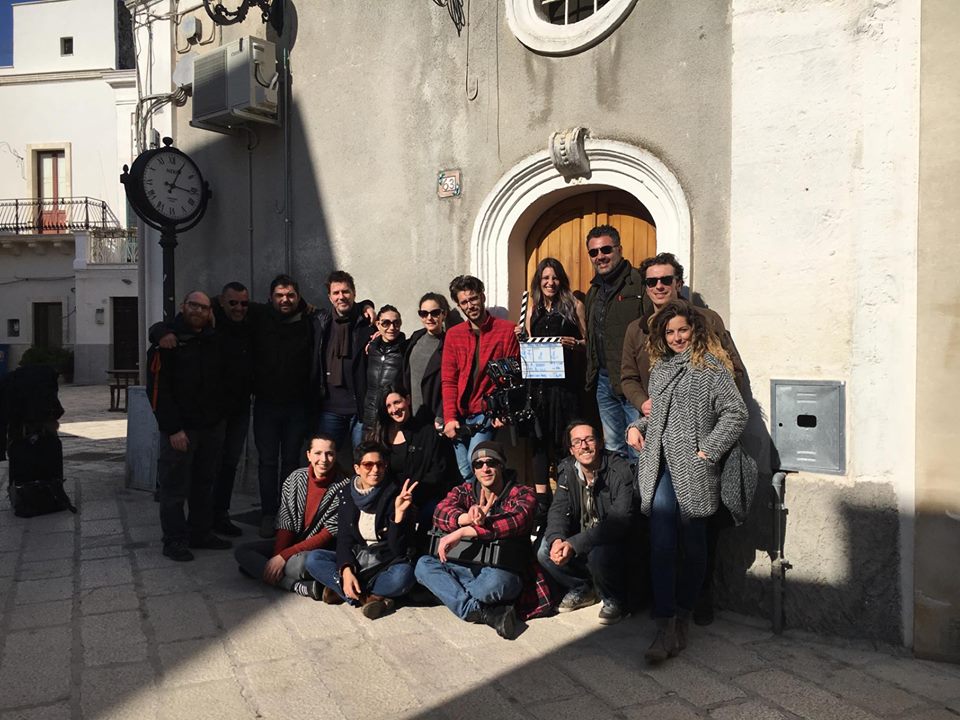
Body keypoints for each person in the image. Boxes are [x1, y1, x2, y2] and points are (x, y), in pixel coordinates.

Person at [621, 252, 745, 625]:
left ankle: (694, 599)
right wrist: (640, 421)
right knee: (661, 531)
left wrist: (708, 445)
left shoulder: (708, 332)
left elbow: (734, 399)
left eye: (666, 279)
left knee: (698, 532)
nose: (659, 286)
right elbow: (632, 382)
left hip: (697, 453)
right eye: (652, 281)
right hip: (660, 451)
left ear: (678, 282)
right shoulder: (641, 336)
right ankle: (666, 610)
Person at [414, 442, 536, 639]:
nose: (485, 468)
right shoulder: (465, 490)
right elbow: (440, 512)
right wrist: (465, 518)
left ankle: (451, 593)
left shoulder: (522, 492)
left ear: (501, 465)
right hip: (468, 565)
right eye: (479, 464)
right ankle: (486, 611)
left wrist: (466, 531)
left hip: (503, 570)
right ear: (474, 470)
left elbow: (516, 520)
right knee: (423, 565)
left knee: (489, 586)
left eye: (491, 462)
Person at [148, 291, 229, 561]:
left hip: (211, 427)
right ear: (183, 306)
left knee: (204, 484)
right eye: (193, 305)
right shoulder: (167, 342)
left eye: (204, 307)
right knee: (174, 487)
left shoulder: (214, 340)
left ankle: (200, 533)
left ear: (210, 312)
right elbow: (158, 391)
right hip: (180, 430)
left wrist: (220, 418)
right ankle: (174, 540)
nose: (198, 311)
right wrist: (173, 429)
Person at [304, 441, 418, 619]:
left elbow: (399, 550)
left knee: (403, 577)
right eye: (368, 465)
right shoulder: (346, 494)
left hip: (385, 562)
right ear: (357, 468)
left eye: (380, 464)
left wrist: (398, 516)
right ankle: (368, 598)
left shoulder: (396, 494)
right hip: (359, 559)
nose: (375, 470)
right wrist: (346, 569)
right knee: (313, 559)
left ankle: (345, 591)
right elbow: (344, 540)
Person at [538, 421, 634, 624]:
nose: (584, 446)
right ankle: (583, 588)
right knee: (545, 550)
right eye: (577, 442)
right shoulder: (567, 470)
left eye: (589, 439)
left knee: (599, 554)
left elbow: (619, 522)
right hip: (584, 541)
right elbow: (557, 511)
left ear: (599, 443)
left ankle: (615, 599)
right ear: (571, 449)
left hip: (615, 544)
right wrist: (557, 539)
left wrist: (574, 544)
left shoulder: (620, 470)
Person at [517, 258, 587, 529]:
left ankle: (566, 498)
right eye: (545, 278)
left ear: (561, 280)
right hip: (539, 386)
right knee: (538, 442)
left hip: (565, 387)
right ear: (539, 280)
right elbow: (529, 343)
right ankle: (542, 503)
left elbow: (588, 343)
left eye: (555, 277)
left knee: (562, 442)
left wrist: (575, 343)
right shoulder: (532, 308)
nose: (550, 282)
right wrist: (520, 336)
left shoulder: (574, 305)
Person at [234, 434, 350, 597]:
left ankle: (261, 570)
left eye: (329, 454)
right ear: (308, 455)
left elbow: (326, 535)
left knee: (299, 564)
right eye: (318, 453)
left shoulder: (345, 487)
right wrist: (278, 557)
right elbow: (285, 523)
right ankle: (298, 586)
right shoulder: (296, 478)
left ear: (335, 456)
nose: (323, 459)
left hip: (319, 551)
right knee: (242, 551)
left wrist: (283, 558)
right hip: (294, 544)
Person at [247, 274, 314, 538]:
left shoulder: (309, 321)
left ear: (298, 297)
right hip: (266, 405)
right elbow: (223, 302)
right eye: (279, 295)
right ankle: (268, 513)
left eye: (290, 295)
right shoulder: (258, 317)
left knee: (291, 462)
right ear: (270, 297)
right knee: (267, 462)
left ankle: (287, 515)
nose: (285, 300)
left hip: (297, 406)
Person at [441, 276, 520, 479]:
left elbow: (513, 376)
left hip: (486, 411)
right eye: (464, 302)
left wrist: (503, 412)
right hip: (460, 411)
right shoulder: (454, 335)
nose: (470, 305)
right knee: (465, 470)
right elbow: (449, 379)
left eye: (473, 298)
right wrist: (449, 417)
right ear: (459, 306)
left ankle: (493, 497)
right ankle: (480, 500)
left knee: (474, 461)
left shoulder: (506, 330)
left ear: (482, 297)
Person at [583, 225, 650, 457]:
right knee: (613, 448)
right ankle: (621, 484)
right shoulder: (593, 291)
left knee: (639, 448)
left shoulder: (640, 284)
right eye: (594, 252)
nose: (600, 256)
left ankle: (641, 485)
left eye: (606, 249)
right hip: (604, 381)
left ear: (619, 249)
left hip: (635, 382)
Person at [370, 385, 458, 541]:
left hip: (422, 499)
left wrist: (412, 496)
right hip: (389, 499)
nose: (394, 410)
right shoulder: (379, 435)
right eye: (388, 406)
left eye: (397, 402)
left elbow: (438, 472)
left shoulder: (427, 433)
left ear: (408, 400)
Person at [312, 270, 374, 452]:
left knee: (363, 460)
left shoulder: (367, 323)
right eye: (336, 293)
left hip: (361, 410)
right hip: (329, 409)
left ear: (354, 293)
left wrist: (367, 305)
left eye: (346, 291)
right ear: (329, 297)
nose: (341, 297)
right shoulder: (321, 322)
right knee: (324, 459)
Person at [210, 281, 254, 537]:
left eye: (244, 303)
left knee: (229, 464)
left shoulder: (250, 322)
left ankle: (221, 515)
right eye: (233, 303)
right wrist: (159, 331)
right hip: (214, 410)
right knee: (210, 465)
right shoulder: (210, 322)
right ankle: (203, 520)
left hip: (239, 408)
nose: (239, 308)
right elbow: (171, 326)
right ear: (221, 302)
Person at [356, 305, 406, 440]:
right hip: (369, 417)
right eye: (386, 323)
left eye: (396, 323)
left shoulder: (406, 349)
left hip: (392, 417)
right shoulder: (371, 348)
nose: (391, 327)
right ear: (378, 324)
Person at [403, 292, 450, 427]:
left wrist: (441, 415)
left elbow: (452, 384)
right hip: (410, 415)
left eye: (435, 313)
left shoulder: (448, 344)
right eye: (424, 313)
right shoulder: (416, 337)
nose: (429, 318)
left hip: (433, 417)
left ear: (444, 314)